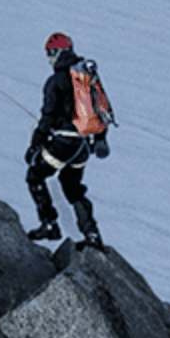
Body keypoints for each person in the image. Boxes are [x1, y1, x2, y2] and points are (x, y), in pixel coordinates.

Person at [25, 31, 107, 245]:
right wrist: (100, 139)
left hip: (63, 143)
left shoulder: (56, 81)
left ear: (57, 52)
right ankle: (92, 234)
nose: (49, 60)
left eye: (50, 54)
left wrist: (35, 144)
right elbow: (100, 109)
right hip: (82, 146)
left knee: (35, 175)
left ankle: (49, 224)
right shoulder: (86, 78)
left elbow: (48, 116)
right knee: (71, 186)